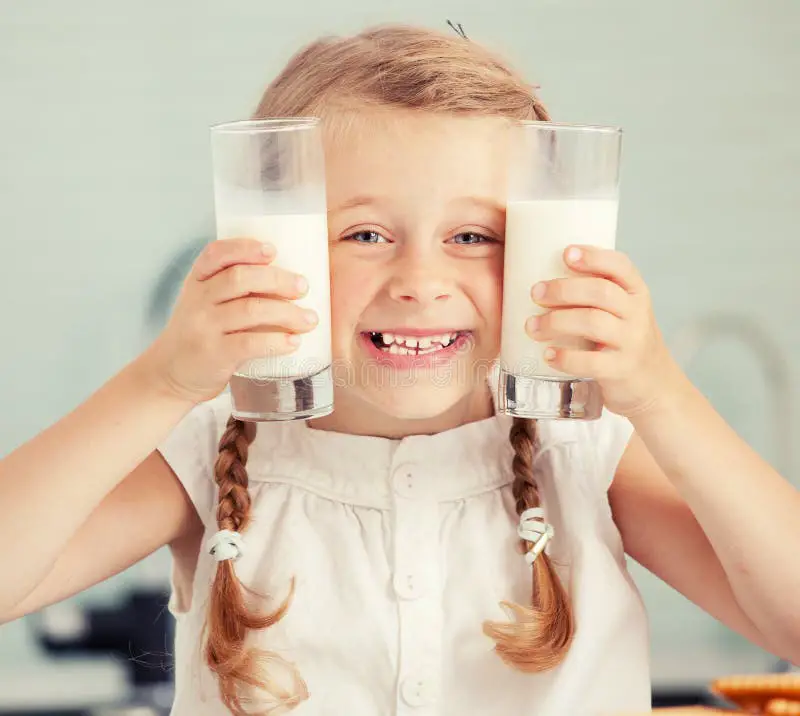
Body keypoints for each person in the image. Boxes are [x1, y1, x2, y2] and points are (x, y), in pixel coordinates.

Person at [1, 23, 798, 716]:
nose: (420, 279)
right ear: (279, 241)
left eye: (473, 237)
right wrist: (161, 383)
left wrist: (665, 397)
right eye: (366, 235)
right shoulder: (207, 455)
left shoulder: (585, 451)